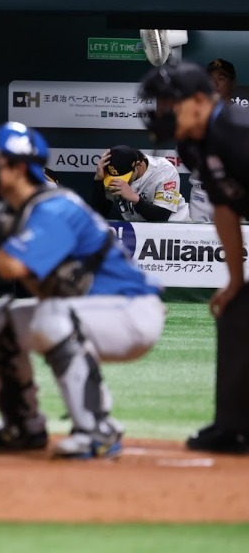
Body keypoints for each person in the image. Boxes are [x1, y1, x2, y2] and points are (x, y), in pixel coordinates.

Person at [0, 121, 164, 459]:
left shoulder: (53, 207)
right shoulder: (11, 211)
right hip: (89, 307)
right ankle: (23, 426)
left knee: (51, 319)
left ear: (17, 166)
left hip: (129, 311)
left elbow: (14, 267)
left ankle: (98, 429)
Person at [140, 61, 249, 453]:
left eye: (171, 102)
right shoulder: (193, 142)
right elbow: (224, 208)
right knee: (238, 312)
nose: (162, 111)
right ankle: (233, 427)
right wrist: (235, 281)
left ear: (200, 101)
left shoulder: (238, 132)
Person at [190, 58, 240, 222]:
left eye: (221, 78)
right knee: (196, 244)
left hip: (235, 194)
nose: (215, 84)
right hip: (201, 195)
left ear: (232, 83)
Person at [89, 144, 190, 222]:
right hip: (141, 233)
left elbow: (162, 216)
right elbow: (98, 215)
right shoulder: (110, 173)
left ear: (138, 164)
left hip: (177, 230)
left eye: (124, 177)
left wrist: (134, 198)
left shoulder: (163, 170)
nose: (119, 180)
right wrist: (98, 179)